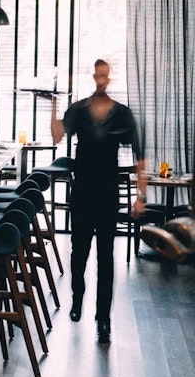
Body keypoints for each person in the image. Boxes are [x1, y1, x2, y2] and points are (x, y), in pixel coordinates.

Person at [49, 59, 147, 344]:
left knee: (106, 257)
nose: (102, 78)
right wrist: (55, 103)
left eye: (106, 74)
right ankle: (77, 298)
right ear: (94, 76)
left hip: (107, 194)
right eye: (98, 74)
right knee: (79, 253)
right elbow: (57, 136)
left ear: (109, 77)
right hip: (81, 194)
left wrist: (140, 196)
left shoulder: (122, 114)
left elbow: (140, 155)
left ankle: (103, 320)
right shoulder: (78, 109)